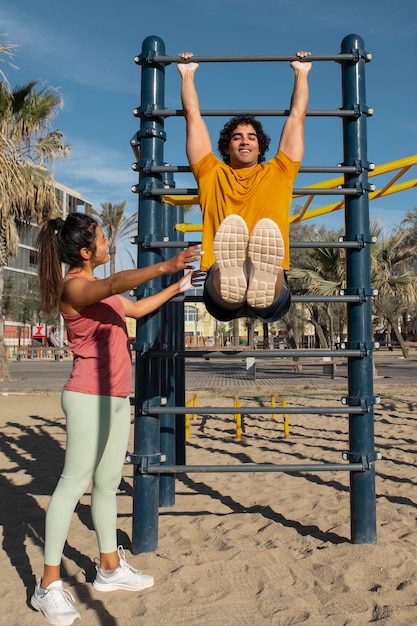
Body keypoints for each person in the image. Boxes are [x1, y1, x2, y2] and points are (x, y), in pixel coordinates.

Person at [31, 212, 202, 625]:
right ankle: (47, 585)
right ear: (86, 252)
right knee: (73, 484)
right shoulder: (76, 286)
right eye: (104, 241)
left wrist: (177, 287)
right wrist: (165, 265)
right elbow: (110, 284)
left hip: (114, 397)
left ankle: (109, 568)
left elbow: (137, 306)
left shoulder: (100, 294)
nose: (109, 246)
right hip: (87, 396)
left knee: (107, 484)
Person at [177, 50, 312, 323]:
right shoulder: (210, 172)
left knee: (261, 277)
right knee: (231, 278)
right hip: (225, 281)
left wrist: (301, 74)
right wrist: (187, 75)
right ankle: (241, 274)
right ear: (226, 147)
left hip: (246, 289)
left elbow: (297, 117)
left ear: (260, 147)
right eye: (237, 137)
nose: (244, 141)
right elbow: (193, 117)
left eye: (251, 137)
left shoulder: (280, 171)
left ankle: (253, 275)